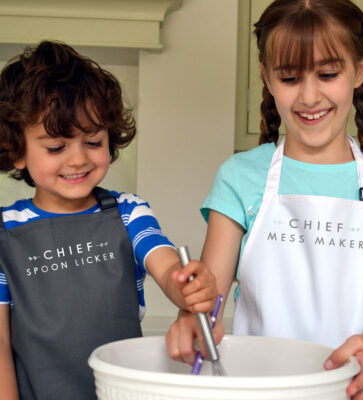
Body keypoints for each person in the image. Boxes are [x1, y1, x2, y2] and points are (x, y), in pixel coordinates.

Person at [166, 1, 363, 399]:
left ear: (359, 70)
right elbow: (210, 297)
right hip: (258, 390)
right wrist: (193, 317)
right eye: (290, 77)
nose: (309, 96)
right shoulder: (240, 178)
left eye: (328, 74)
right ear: (267, 79)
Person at [0, 41, 218, 400]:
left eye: (93, 141)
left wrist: (187, 288)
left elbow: (163, 264)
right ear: (16, 151)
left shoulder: (129, 212)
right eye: (56, 147)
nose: (77, 159)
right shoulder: (5, 233)